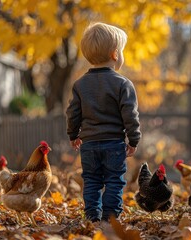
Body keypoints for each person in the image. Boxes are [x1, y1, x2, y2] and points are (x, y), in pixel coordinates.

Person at [66, 22, 141, 222]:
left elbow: (73, 113)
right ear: (115, 54)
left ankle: (92, 214)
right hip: (114, 143)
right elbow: (130, 115)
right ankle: (110, 217)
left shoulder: (80, 84)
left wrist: (73, 135)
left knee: (91, 180)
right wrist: (133, 140)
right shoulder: (123, 84)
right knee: (114, 180)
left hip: (89, 144)